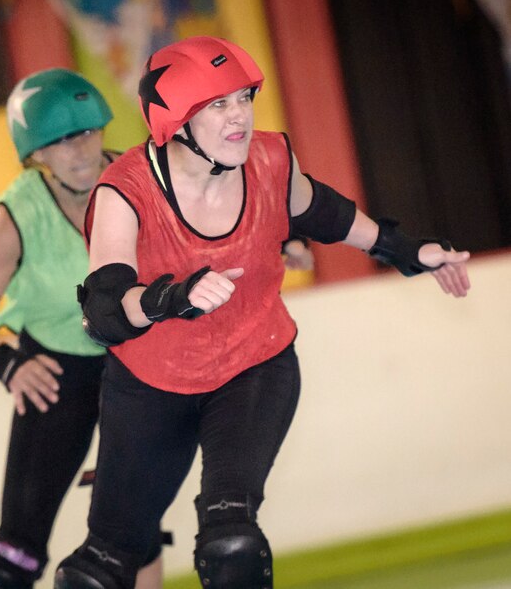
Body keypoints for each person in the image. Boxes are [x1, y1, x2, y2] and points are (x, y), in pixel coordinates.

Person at [53, 36, 471, 589]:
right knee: (98, 570)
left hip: (254, 367)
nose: (240, 117)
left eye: (244, 98)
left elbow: (320, 210)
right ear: (174, 121)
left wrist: (407, 250)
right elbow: (104, 310)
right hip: (150, 385)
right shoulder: (125, 190)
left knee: (233, 545)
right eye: (218, 105)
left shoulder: (271, 158)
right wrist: (170, 298)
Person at [0, 68, 169, 589]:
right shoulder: (20, 213)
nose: (80, 151)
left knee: (133, 531)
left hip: (136, 370)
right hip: (55, 376)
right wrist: (4, 362)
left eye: (86, 132)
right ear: (35, 153)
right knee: (13, 555)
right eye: (60, 141)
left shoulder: (146, 178)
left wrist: (284, 240)